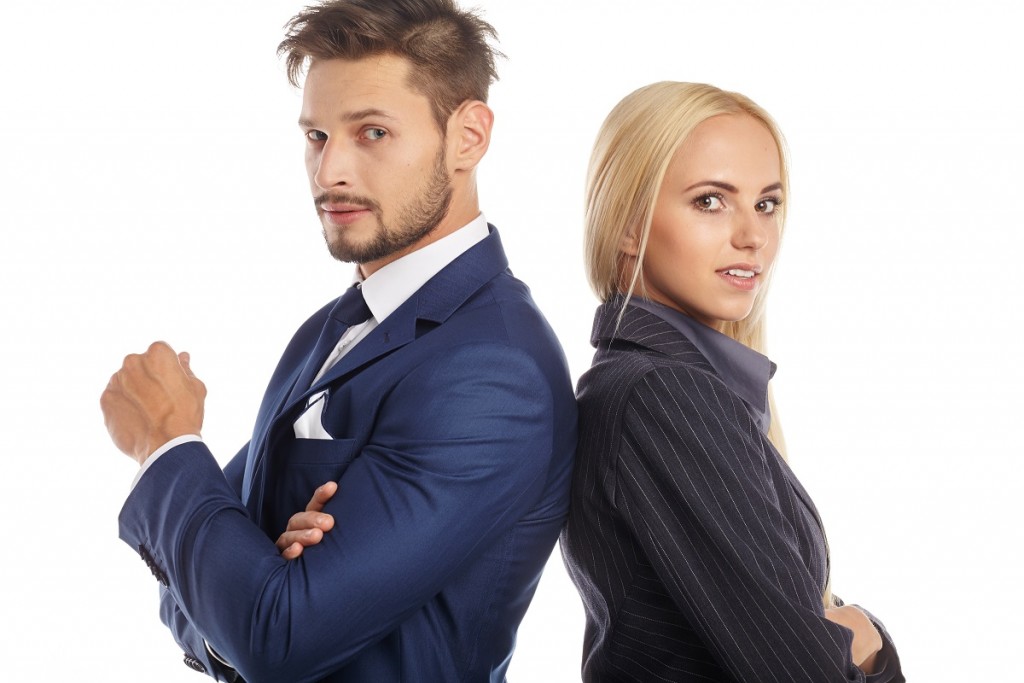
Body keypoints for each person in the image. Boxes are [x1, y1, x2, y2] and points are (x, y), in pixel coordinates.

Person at [99, 1, 577, 681]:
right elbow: (206, 592)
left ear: (468, 136)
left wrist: (166, 444)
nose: (330, 174)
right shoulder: (329, 328)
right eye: (317, 136)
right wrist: (245, 586)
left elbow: (274, 633)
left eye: (373, 132)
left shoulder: (495, 369)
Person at [559, 82, 904, 682]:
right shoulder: (662, 394)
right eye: (711, 201)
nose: (753, 235)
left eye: (766, 203)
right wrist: (869, 642)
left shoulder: (665, 385)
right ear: (628, 223)